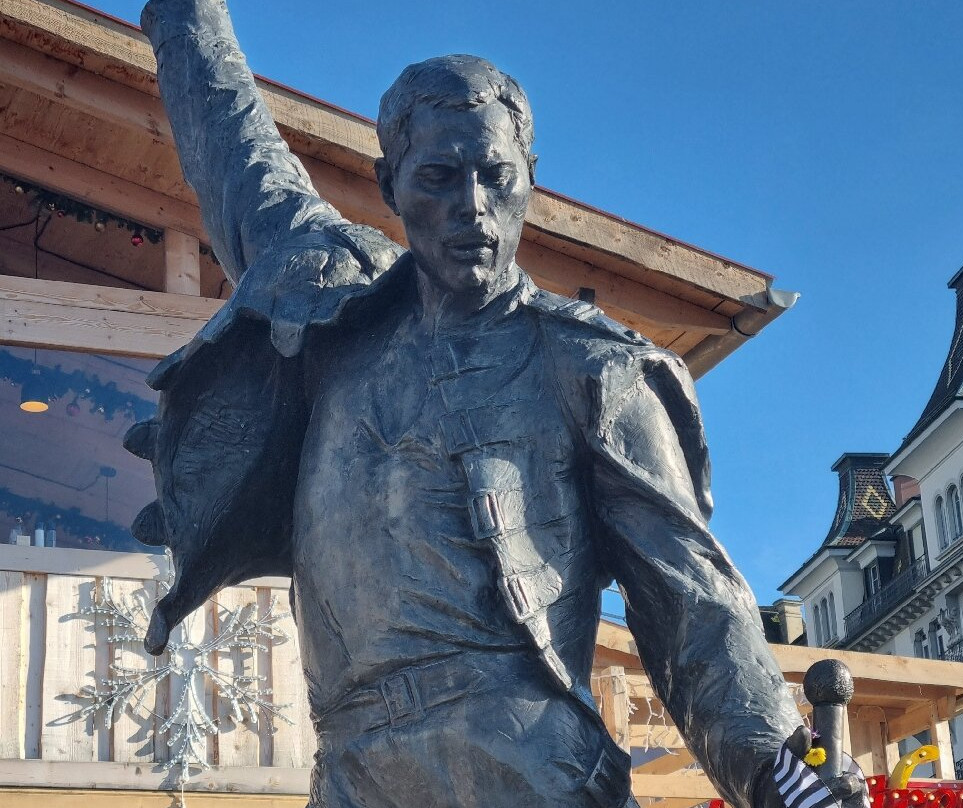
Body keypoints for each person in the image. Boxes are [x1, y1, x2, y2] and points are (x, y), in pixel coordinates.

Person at [125, 2, 825, 807]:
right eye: (438, 178)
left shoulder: (593, 367)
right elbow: (232, 144)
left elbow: (693, 608)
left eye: (496, 175)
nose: (472, 206)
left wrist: (780, 775)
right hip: (354, 771)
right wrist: (186, 16)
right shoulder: (332, 312)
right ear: (389, 184)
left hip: (528, 772)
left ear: (530, 176)